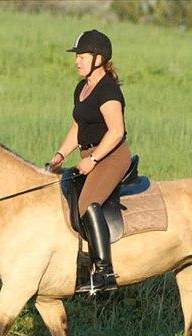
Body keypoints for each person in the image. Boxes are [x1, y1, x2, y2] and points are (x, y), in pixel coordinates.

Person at [49, 29, 132, 293]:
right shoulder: (82, 88)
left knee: (87, 203)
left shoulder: (107, 88)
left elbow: (117, 130)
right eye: (77, 56)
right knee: (65, 193)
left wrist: (93, 160)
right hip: (89, 155)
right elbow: (78, 128)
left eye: (82, 56)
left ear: (99, 58)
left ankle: (105, 273)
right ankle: (82, 266)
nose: (77, 61)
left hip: (111, 156)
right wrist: (61, 154)